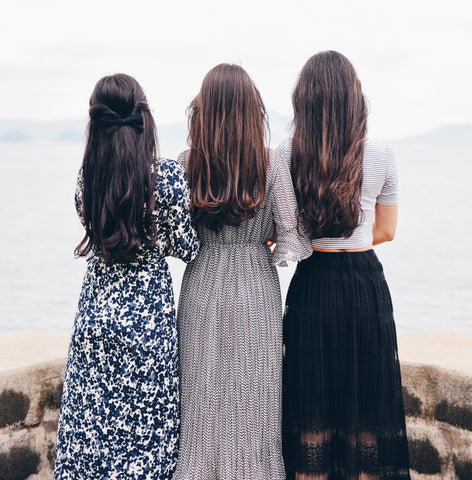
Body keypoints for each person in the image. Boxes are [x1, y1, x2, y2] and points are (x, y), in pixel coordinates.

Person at [54, 73, 199, 480]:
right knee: (147, 449)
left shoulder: (87, 180)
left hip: (94, 321)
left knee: (90, 443)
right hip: (148, 328)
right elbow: (188, 247)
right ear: (144, 119)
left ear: (95, 125)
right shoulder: (168, 179)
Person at [173, 63, 312, 480]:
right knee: (253, 405)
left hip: (201, 281)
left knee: (201, 403)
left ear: (204, 111)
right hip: (255, 284)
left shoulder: (185, 163)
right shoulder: (269, 164)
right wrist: (264, 241)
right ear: (254, 111)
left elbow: (177, 239)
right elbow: (293, 237)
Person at [278, 51, 410, 480]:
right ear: (356, 99)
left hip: (313, 282)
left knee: (311, 419)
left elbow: (281, 233)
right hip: (364, 285)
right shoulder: (382, 153)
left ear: (304, 100)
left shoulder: (285, 153)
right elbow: (386, 231)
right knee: (367, 420)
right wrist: (350, 238)